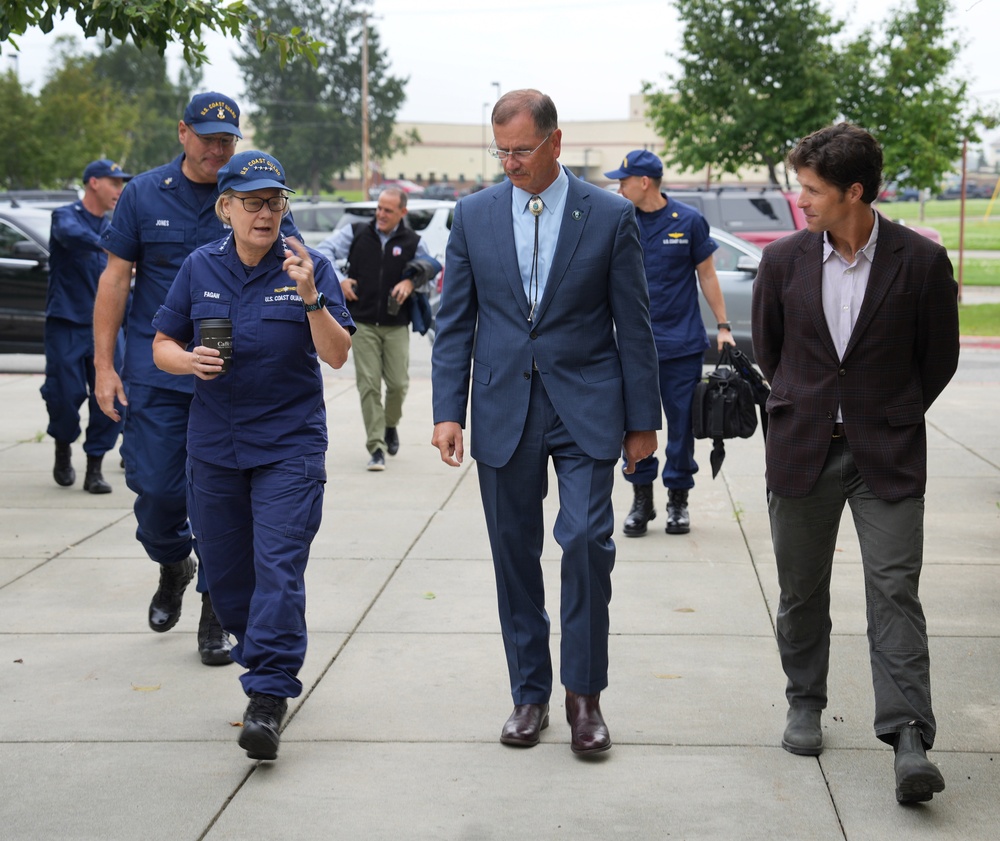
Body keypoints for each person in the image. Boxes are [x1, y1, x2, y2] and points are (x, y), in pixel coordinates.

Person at [431, 90, 661, 756]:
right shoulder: (472, 215)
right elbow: (455, 324)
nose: (510, 163)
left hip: (588, 405)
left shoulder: (611, 215)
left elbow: (634, 324)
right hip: (504, 408)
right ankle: (529, 694)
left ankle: (584, 696)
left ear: (555, 143)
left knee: (587, 539)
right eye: (501, 150)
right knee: (514, 557)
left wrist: (643, 420)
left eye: (522, 150)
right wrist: (449, 410)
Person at [751, 123, 959, 804]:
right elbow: (771, 354)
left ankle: (908, 737)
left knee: (894, 591)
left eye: (811, 190)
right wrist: (809, 406)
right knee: (801, 589)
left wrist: (887, 410)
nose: (800, 200)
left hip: (887, 454)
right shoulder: (782, 261)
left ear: (854, 191)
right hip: (802, 447)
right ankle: (805, 700)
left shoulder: (921, 263)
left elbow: (939, 359)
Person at [152, 150, 354, 761]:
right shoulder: (199, 266)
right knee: (233, 583)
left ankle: (266, 696)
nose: (266, 214)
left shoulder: (308, 265)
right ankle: (260, 649)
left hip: (288, 447)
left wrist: (312, 296)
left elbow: (339, 355)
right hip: (214, 449)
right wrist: (187, 361)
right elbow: (162, 342)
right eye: (252, 203)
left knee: (279, 569)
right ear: (226, 210)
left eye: (275, 202)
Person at [94, 92, 298, 667]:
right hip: (159, 375)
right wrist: (104, 366)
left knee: (223, 505)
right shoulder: (142, 194)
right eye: (208, 137)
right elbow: (114, 280)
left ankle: (215, 605)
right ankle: (172, 562)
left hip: (232, 386)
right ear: (183, 133)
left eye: (227, 139)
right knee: (157, 492)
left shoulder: (255, 192)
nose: (218, 149)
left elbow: (295, 258)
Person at [603, 150, 735, 537]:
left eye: (624, 180)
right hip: (631, 349)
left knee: (680, 429)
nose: (619, 186)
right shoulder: (617, 220)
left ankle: (678, 501)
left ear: (644, 182)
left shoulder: (688, 221)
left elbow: (708, 276)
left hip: (680, 346)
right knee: (635, 425)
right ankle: (642, 501)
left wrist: (724, 325)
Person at [315, 187, 441, 470]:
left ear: (402, 213)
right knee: (369, 385)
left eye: (387, 210)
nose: (380, 214)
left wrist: (411, 282)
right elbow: (322, 253)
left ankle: (390, 425)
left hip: (397, 325)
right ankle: (376, 448)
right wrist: (339, 280)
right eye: (379, 208)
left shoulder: (412, 241)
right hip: (361, 323)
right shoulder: (357, 232)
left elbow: (432, 270)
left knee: (398, 385)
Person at [42, 158, 132, 494]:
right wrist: (114, 247)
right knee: (63, 395)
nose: (119, 190)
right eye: (114, 182)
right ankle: (63, 444)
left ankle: (94, 466)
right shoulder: (66, 217)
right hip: (67, 322)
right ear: (93, 182)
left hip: (106, 327)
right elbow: (70, 235)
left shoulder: (116, 227)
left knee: (112, 399)